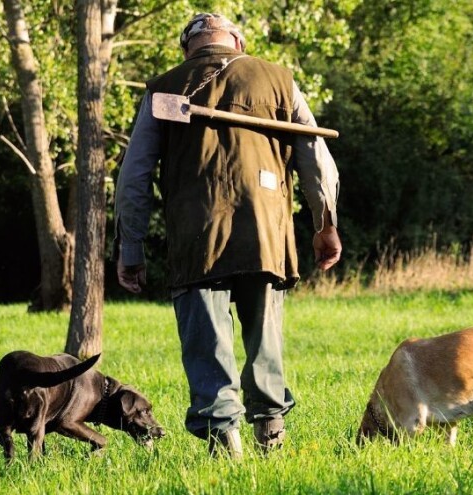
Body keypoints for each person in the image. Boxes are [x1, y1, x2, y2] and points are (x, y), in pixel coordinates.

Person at [114, 12, 341, 459]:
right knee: (265, 339)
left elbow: (134, 176)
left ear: (188, 49)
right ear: (237, 41)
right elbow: (317, 159)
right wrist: (325, 224)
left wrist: (131, 247)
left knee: (206, 343)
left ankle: (226, 446)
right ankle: (269, 439)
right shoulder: (278, 79)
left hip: (195, 236)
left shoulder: (165, 85)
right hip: (265, 231)